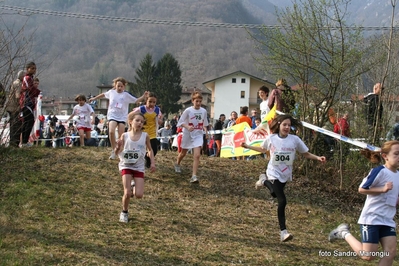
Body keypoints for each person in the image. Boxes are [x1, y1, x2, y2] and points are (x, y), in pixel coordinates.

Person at [241, 114, 326, 242]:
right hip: (273, 172)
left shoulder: (294, 140)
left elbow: (305, 153)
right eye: (284, 125)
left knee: (274, 194)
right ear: (279, 125)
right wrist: (248, 146)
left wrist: (318, 157)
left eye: (289, 125)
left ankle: (263, 180)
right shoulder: (272, 138)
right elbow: (263, 149)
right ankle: (283, 232)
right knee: (282, 201)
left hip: (285, 174)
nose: (287, 127)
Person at [328, 141, 399, 265]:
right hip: (372, 218)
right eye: (396, 154)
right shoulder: (379, 171)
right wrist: (382, 189)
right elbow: (362, 189)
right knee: (368, 256)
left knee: (391, 252)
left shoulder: (398, 175)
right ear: (385, 156)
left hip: (387, 219)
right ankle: (343, 233)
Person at [89, 77, 147, 159]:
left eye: (121, 86)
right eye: (118, 86)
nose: (119, 88)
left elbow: (136, 100)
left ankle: (120, 150)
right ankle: (114, 150)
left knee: (121, 135)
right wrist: (94, 98)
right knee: (111, 132)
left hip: (122, 117)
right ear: (115, 86)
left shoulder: (126, 95)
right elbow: (103, 95)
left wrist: (143, 96)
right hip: (112, 115)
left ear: (124, 87)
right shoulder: (111, 92)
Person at [115, 112, 155, 223]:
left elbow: (150, 150)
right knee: (127, 193)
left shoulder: (145, 136)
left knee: (139, 195)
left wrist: (152, 163)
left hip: (139, 166)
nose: (139, 123)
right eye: (137, 120)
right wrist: (118, 147)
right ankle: (124, 212)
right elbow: (117, 152)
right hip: (126, 165)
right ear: (131, 122)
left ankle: (133, 183)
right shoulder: (125, 136)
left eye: (142, 122)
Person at [174, 91, 209, 183]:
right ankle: (177, 163)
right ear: (192, 101)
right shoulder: (188, 110)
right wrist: (187, 126)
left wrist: (206, 131)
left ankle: (194, 176)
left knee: (197, 155)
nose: (198, 103)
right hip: (188, 134)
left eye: (200, 101)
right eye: (196, 101)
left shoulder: (204, 111)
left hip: (198, 135)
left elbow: (204, 123)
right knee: (183, 153)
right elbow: (180, 123)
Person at [131, 92, 163, 168]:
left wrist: (159, 120)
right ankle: (135, 162)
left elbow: (161, 119)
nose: (152, 104)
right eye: (150, 101)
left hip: (152, 133)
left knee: (154, 150)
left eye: (154, 102)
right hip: (142, 132)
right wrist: (132, 122)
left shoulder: (157, 110)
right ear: (146, 101)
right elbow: (131, 115)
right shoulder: (142, 109)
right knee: (138, 149)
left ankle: (147, 161)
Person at [19, 62, 41, 147]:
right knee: (30, 121)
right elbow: (30, 89)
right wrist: (39, 92)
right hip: (26, 102)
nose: (34, 70)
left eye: (35, 68)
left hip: (30, 102)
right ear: (27, 69)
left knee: (27, 121)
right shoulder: (27, 78)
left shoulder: (31, 78)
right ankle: (24, 141)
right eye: (32, 68)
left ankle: (24, 141)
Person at [5, 70, 24, 147]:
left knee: (14, 125)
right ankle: (14, 143)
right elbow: (18, 96)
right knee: (15, 125)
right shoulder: (18, 83)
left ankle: (13, 143)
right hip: (14, 108)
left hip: (12, 107)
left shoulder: (15, 83)